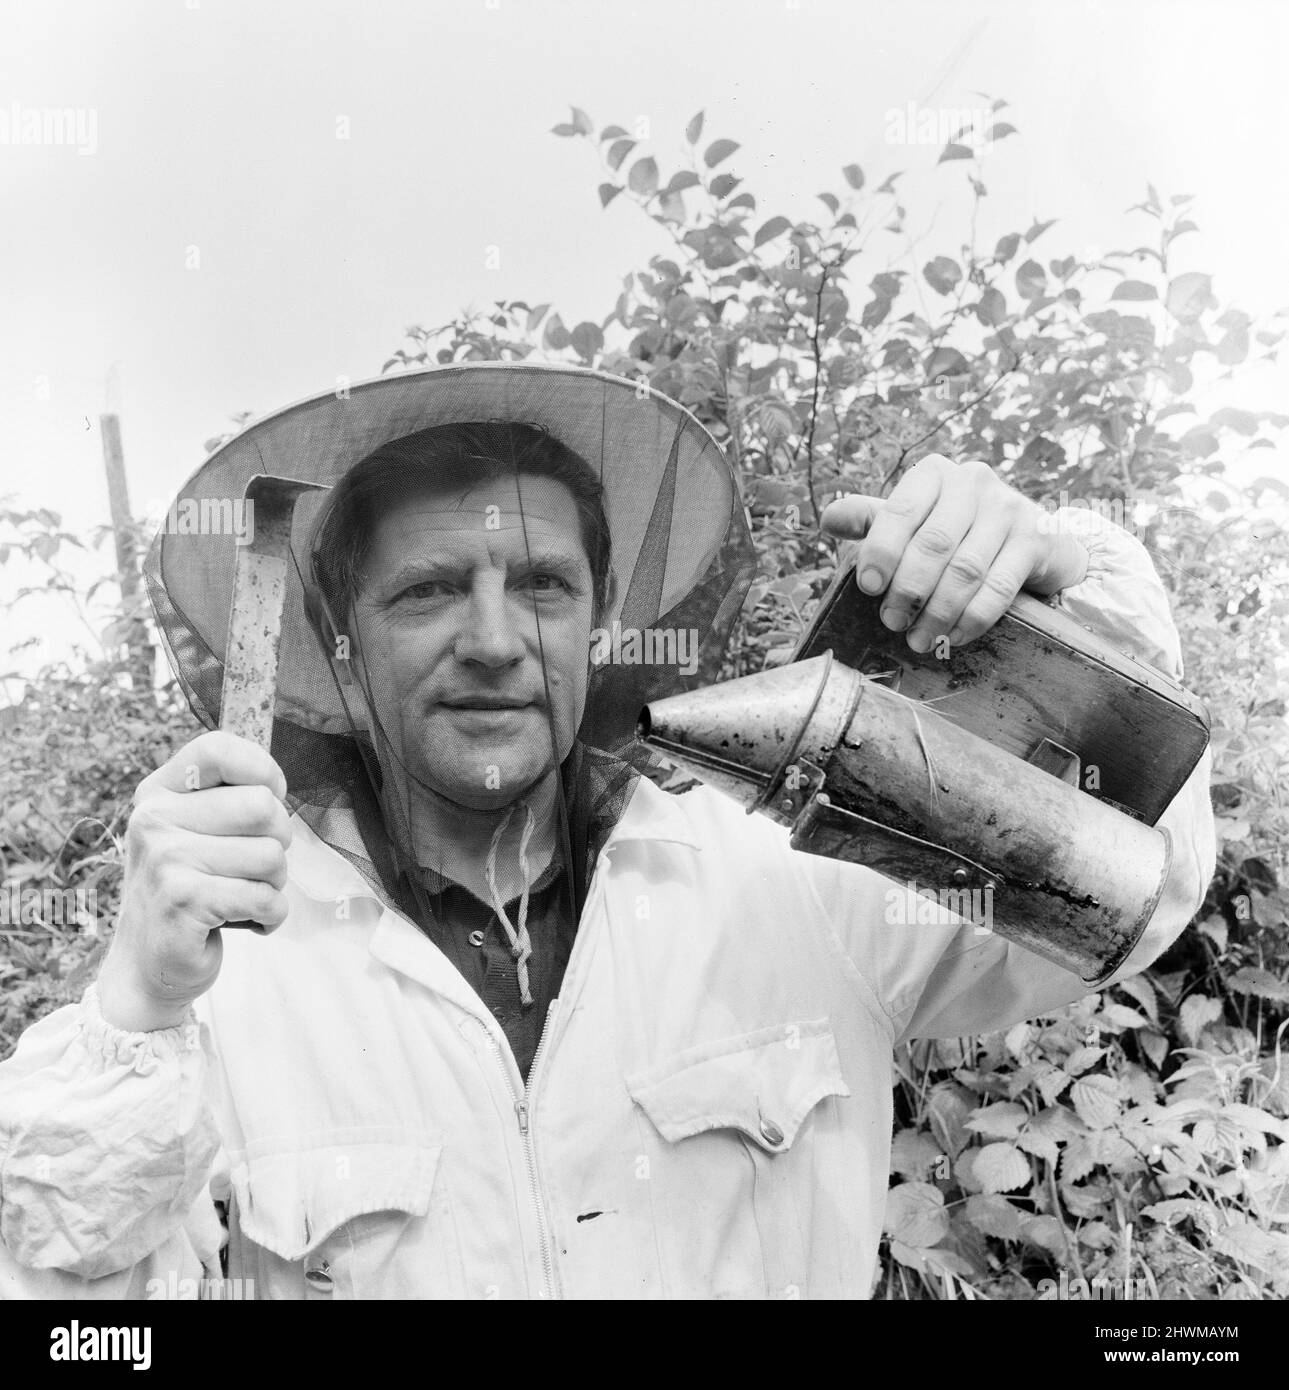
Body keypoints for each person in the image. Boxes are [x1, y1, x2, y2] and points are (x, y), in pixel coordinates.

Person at [0, 363, 1214, 1300]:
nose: (491, 639)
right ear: (340, 648)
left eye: (538, 584)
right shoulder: (234, 972)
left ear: (600, 617)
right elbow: (69, 1303)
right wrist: (137, 1003)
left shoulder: (794, 867)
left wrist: (1066, 582)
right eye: (426, 591)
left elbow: (1137, 893)